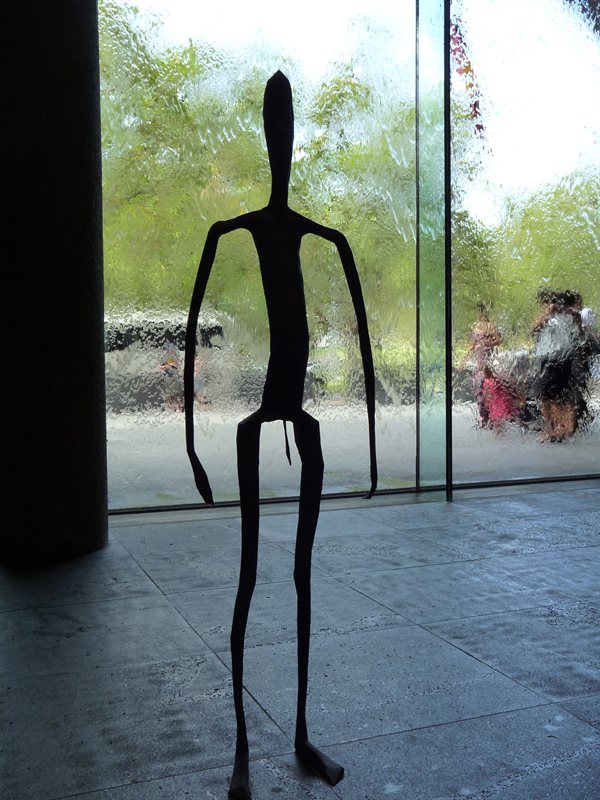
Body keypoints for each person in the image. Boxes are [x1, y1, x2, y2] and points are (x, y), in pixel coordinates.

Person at [184, 71, 376, 800]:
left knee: (301, 578)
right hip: (259, 415)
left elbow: (358, 337)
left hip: (302, 417)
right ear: (270, 131)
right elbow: (191, 325)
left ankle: (299, 735)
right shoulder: (232, 229)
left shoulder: (320, 234)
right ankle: (240, 744)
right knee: (248, 578)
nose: (282, 142)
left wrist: (377, 450)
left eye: (286, 126)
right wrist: (193, 448)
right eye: (276, 124)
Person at [531, 288, 583, 442]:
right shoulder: (545, 317)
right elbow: (532, 330)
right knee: (545, 398)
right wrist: (546, 315)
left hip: (560, 359)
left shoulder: (568, 316)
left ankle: (561, 430)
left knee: (559, 398)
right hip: (545, 359)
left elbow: (579, 333)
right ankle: (551, 429)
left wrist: (574, 315)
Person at [468, 303, 502, 427]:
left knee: (489, 388)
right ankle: (484, 418)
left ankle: (492, 418)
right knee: (479, 389)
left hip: (489, 361)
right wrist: (466, 356)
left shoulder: (491, 326)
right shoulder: (476, 326)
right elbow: (472, 344)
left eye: (479, 312)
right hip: (479, 362)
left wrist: (486, 343)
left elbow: (498, 340)